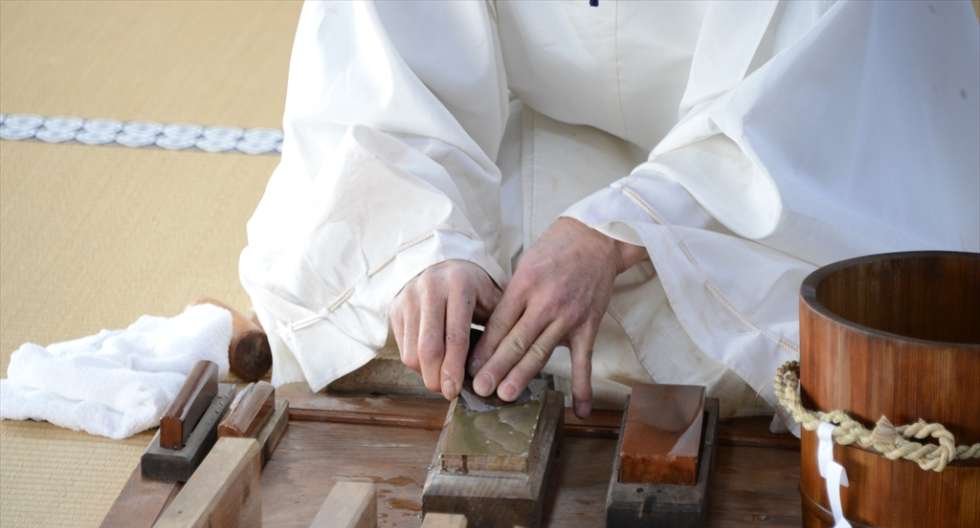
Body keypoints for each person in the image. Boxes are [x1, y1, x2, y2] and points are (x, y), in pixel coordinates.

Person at [240, 0, 979, 419]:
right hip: (542, 132)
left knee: (863, 342)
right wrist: (425, 240)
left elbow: (818, 96)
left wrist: (618, 231)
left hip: (772, 156)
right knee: (387, 288)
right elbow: (378, 52)